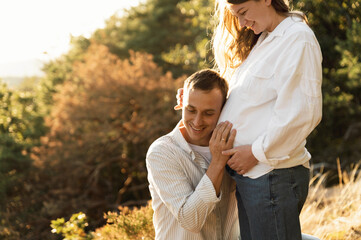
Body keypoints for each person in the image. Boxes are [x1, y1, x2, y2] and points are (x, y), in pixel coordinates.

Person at [211, 0, 323, 239]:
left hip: (271, 176)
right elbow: (249, 101)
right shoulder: (264, 39)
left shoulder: (296, 38)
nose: (241, 23)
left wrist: (255, 152)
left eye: (243, 12)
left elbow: (302, 113)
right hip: (254, 177)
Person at [146, 69, 240, 240]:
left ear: (224, 110)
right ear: (182, 102)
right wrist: (218, 163)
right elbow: (190, 220)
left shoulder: (235, 142)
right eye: (191, 109)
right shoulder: (162, 152)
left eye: (208, 113)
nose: (197, 121)